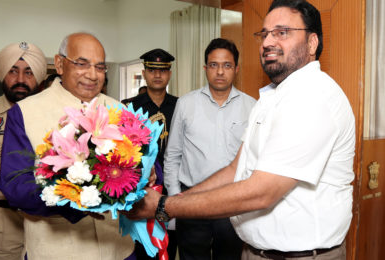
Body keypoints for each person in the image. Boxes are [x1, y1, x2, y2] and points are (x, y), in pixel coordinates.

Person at [125, 1, 355, 260]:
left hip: (300, 256)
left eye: (282, 32)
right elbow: (236, 169)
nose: (268, 42)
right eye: (265, 33)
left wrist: (165, 206)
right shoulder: (271, 99)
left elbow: (262, 191)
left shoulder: (312, 97)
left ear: (312, 43)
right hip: (257, 251)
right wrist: (174, 200)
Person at [0, 33, 134, 260]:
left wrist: (148, 173)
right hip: (56, 250)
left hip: (117, 249)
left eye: (100, 67)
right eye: (81, 64)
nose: (92, 74)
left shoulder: (120, 110)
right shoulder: (24, 112)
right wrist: (74, 199)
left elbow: (145, 160)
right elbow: (14, 184)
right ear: (59, 64)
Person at [164, 38, 256, 260]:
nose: (220, 72)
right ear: (205, 68)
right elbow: (172, 155)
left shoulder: (252, 106)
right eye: (214, 65)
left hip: (231, 202)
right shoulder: (186, 104)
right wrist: (176, 201)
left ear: (236, 69)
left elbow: (253, 160)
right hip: (192, 200)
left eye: (227, 65)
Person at [0, 41, 47, 259]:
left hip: (48, 221)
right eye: (13, 71)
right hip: (1, 222)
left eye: (29, 72)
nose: (21, 80)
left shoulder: (54, 115)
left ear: (39, 77)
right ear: (3, 73)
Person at [122, 49, 178, 259]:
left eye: (163, 71)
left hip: (171, 187)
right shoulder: (128, 107)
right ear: (144, 73)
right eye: (152, 70)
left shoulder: (180, 106)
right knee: (138, 245)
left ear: (169, 74)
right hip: (139, 189)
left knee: (169, 245)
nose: (157, 75)